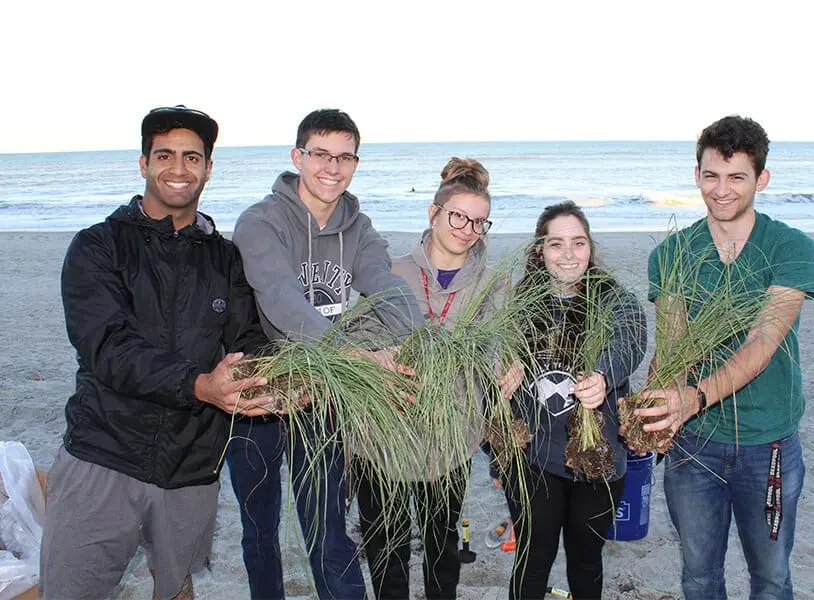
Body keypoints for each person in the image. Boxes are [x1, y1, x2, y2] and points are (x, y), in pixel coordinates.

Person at [40, 105, 272, 600]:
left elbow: (248, 338)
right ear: (143, 163)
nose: (178, 169)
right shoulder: (98, 246)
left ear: (209, 168)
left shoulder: (226, 258)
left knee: (175, 587)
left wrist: (266, 381)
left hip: (192, 467)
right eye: (164, 155)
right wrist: (199, 384)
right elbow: (107, 347)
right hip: (103, 455)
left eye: (192, 157)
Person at [225, 108, 422, 600]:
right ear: (298, 157)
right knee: (260, 528)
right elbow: (280, 301)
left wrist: (419, 339)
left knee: (328, 526)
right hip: (258, 391)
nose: (332, 168)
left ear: (356, 162)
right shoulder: (259, 223)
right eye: (320, 155)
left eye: (344, 157)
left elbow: (385, 287)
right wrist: (353, 358)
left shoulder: (358, 227)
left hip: (324, 395)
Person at [635, 115, 814, 599]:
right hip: (693, 447)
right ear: (696, 174)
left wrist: (692, 398)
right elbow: (671, 347)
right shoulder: (673, 252)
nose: (721, 190)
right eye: (711, 175)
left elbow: (762, 343)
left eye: (737, 176)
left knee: (772, 577)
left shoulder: (792, 248)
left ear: (761, 179)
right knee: (698, 577)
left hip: (768, 444)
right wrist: (651, 414)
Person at [352, 157, 522, 599]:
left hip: (449, 439)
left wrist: (511, 364)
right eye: (458, 216)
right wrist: (380, 359)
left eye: (479, 222)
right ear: (433, 212)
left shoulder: (491, 282)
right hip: (382, 437)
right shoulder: (388, 271)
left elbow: (500, 343)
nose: (467, 229)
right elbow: (353, 342)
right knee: (386, 549)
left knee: (442, 544)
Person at [504, 201, 647, 599]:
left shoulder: (614, 299)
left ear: (590, 248)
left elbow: (630, 338)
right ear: (539, 251)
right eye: (556, 244)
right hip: (536, 459)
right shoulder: (519, 304)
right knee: (533, 558)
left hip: (597, 460)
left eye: (578, 243)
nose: (568, 254)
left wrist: (602, 375)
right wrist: (505, 363)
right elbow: (494, 352)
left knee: (585, 560)